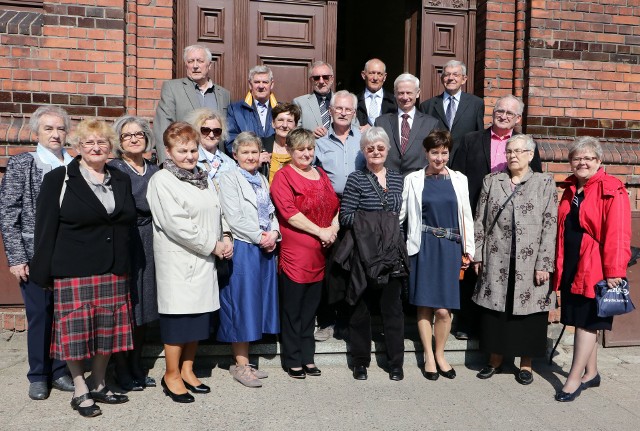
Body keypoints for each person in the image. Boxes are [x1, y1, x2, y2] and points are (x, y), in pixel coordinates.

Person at [30, 118, 137, 417]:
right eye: (89, 142)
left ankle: (100, 382)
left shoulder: (120, 179)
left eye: (102, 142)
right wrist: (43, 271)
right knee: (76, 332)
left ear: (110, 147)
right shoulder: (59, 179)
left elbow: (125, 222)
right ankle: (80, 389)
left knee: (108, 331)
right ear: (77, 147)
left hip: (113, 268)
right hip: (74, 268)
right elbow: (45, 228)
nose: (96, 147)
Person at [147, 122, 233, 403]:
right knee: (179, 320)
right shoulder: (163, 180)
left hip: (206, 258)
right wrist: (213, 245)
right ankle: (171, 374)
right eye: (182, 150)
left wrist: (227, 235)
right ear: (169, 152)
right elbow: (177, 226)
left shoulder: (203, 177)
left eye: (193, 150)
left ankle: (187, 369)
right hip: (181, 261)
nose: (189, 156)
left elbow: (216, 209)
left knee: (198, 319)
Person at [449, 95, 543, 340]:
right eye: (499, 111)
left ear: (518, 119)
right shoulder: (470, 140)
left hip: (512, 221)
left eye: (510, 114)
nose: (503, 116)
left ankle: (497, 328)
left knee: (500, 273)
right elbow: (457, 177)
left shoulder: (527, 145)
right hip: (475, 214)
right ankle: (467, 324)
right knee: (474, 267)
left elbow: (535, 181)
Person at [0, 106, 75, 400]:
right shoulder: (24, 164)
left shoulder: (74, 163)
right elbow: (8, 213)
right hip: (34, 254)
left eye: (60, 128)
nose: (56, 134)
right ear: (36, 132)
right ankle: (39, 375)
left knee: (64, 315)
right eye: (49, 129)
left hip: (69, 254)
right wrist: (17, 257)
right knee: (40, 315)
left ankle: (60, 370)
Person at [472, 134, 557, 385]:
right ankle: (495, 360)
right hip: (496, 256)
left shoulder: (544, 182)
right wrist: (478, 254)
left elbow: (550, 225)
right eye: (509, 151)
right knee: (496, 310)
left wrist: (544, 263)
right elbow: (480, 220)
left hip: (530, 261)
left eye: (519, 151)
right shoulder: (492, 180)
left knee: (528, 313)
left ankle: (526, 364)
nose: (513, 156)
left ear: (531, 155)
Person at [554, 136, 631, 402]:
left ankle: (574, 378)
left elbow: (618, 232)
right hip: (573, 260)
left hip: (596, 263)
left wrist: (614, 270)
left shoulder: (612, 187)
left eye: (588, 158)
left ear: (599, 161)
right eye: (577, 158)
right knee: (582, 318)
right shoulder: (572, 188)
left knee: (587, 321)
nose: (582, 162)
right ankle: (592, 372)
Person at [399, 130, 474, 381]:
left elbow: (467, 218)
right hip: (424, 246)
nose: (439, 158)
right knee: (425, 305)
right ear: (426, 153)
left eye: (444, 152)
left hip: (451, 247)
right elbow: (401, 215)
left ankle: (441, 354)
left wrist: (469, 249)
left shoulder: (459, 179)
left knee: (443, 310)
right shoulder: (414, 179)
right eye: (434, 153)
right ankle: (429, 356)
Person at [336, 127, 407, 382]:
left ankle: (396, 363)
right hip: (364, 253)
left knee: (393, 309)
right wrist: (379, 222)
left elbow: (402, 216)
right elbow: (346, 216)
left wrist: (388, 227)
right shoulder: (356, 179)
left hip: (392, 252)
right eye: (370, 148)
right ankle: (360, 362)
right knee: (360, 308)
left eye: (380, 147)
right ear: (363, 151)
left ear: (387, 150)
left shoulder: (399, 178)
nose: (375, 152)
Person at [270, 128, 340, 379]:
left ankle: (308, 357)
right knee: (294, 309)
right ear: (289, 151)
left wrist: (333, 227)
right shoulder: (283, 176)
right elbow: (288, 212)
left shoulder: (320, 173)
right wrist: (320, 232)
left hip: (320, 254)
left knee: (311, 309)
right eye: (300, 149)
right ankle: (292, 359)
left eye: (310, 148)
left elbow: (335, 205)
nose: (306, 153)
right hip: (296, 254)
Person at [217, 132, 280, 388]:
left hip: (264, 248)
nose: (251, 157)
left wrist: (275, 233)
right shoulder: (229, 179)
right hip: (245, 247)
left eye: (254, 152)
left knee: (256, 305)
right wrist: (261, 237)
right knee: (242, 305)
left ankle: (247, 361)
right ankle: (240, 364)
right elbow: (233, 217)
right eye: (245, 152)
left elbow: (271, 211)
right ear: (235, 155)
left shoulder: (261, 179)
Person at [108, 115, 159, 391]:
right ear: (119, 141)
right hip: (126, 240)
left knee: (145, 304)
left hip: (151, 239)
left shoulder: (154, 169)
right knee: (126, 305)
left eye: (138, 134)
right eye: (127, 135)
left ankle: (137, 363)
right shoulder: (115, 169)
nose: (134, 138)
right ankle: (122, 367)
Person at [313, 90, 366, 342]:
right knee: (330, 265)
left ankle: (347, 320)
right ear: (331, 111)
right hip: (328, 209)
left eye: (348, 109)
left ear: (354, 113)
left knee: (354, 266)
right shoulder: (319, 142)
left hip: (357, 208)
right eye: (339, 109)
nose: (343, 113)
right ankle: (326, 320)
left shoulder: (364, 139)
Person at [154, 44, 231, 163]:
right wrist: (167, 163)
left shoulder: (224, 94)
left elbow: (226, 132)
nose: (195, 66)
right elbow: (162, 128)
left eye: (200, 61)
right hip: (185, 161)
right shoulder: (172, 88)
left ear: (209, 65)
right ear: (186, 65)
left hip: (216, 163)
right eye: (191, 61)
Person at [375, 73, 439, 176]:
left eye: (409, 93)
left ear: (417, 93)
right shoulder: (381, 122)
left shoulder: (431, 124)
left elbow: (436, 156)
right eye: (401, 93)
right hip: (388, 183)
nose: (405, 97)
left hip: (418, 183)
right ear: (395, 93)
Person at [419, 60, 484, 148]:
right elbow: (423, 139)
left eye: (455, 75)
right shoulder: (427, 106)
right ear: (442, 79)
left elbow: (479, 137)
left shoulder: (476, 104)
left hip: (464, 158)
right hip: (437, 159)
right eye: (447, 74)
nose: (451, 78)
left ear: (464, 79)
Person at [225, 65, 278, 154]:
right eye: (257, 82)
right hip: (247, 164)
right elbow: (230, 141)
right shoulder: (235, 110)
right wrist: (253, 157)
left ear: (271, 84)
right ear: (250, 84)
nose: (261, 86)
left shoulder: (281, 110)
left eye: (265, 82)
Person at [185, 108, 236, 184]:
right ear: (196, 131)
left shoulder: (230, 163)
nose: (211, 135)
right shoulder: (189, 159)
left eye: (217, 131)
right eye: (205, 130)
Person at [293, 61, 335, 138]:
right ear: (311, 80)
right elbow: (294, 132)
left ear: (332, 79)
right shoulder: (299, 103)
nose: (321, 81)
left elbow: (353, 128)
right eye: (316, 78)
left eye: (325, 77)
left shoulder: (343, 102)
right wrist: (310, 135)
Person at [261, 103, 301, 182]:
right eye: (280, 120)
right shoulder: (261, 145)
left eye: (289, 121)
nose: (285, 125)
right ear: (273, 123)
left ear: (295, 125)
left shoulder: (301, 149)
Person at [356, 58, 397, 131]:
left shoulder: (395, 101)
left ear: (384, 77)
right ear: (363, 75)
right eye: (371, 73)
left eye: (379, 74)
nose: (375, 78)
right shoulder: (354, 101)